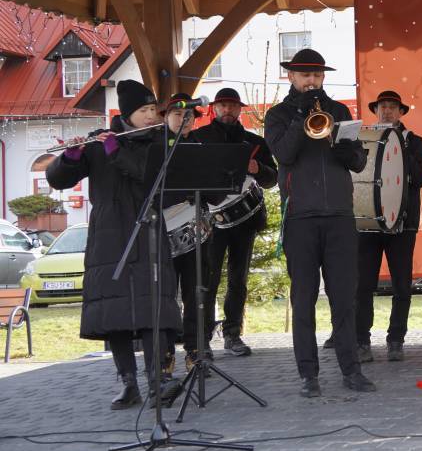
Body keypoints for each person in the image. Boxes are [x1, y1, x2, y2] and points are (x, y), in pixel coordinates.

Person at [46, 79, 182, 408]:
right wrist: (71, 156)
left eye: (154, 109)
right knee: (114, 314)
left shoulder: (160, 143)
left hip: (148, 234)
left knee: (152, 312)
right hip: (109, 239)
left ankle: (156, 381)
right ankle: (128, 382)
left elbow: (148, 178)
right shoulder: (100, 143)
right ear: (127, 114)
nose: (151, 116)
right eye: (144, 110)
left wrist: (116, 152)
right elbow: (57, 179)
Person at [264, 48, 372, 397]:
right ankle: (309, 374)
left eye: (317, 75)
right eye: (304, 75)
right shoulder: (278, 115)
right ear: (291, 77)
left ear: (323, 77)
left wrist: (339, 144)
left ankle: (351, 370)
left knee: (344, 297)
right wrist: (302, 118)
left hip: (339, 215)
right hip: (301, 218)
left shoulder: (339, 111)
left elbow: (356, 161)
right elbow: (283, 154)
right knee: (304, 297)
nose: (312, 80)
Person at [192, 87, 278, 358]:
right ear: (214, 109)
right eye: (223, 106)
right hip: (209, 221)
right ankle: (203, 339)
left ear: (240, 109)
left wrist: (259, 169)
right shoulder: (197, 139)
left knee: (238, 279)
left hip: (244, 221)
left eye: (232, 106)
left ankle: (232, 334)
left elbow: (272, 179)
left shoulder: (254, 142)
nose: (227, 110)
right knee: (208, 279)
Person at [353, 90, 422, 362]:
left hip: (403, 222)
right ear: (376, 110)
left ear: (401, 112)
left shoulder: (415, 142)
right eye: (383, 107)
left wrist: (400, 148)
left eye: (393, 107)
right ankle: (361, 340)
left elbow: (420, 179)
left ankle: (396, 339)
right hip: (368, 222)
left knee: (401, 284)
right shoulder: (365, 137)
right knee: (363, 285)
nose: (387, 111)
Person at [159, 92, 207, 373]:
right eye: (178, 114)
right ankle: (164, 354)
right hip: (163, 230)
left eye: (189, 115)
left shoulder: (201, 148)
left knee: (196, 293)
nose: (184, 119)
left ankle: (195, 351)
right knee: (165, 295)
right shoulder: (155, 147)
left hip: (195, 230)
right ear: (166, 117)